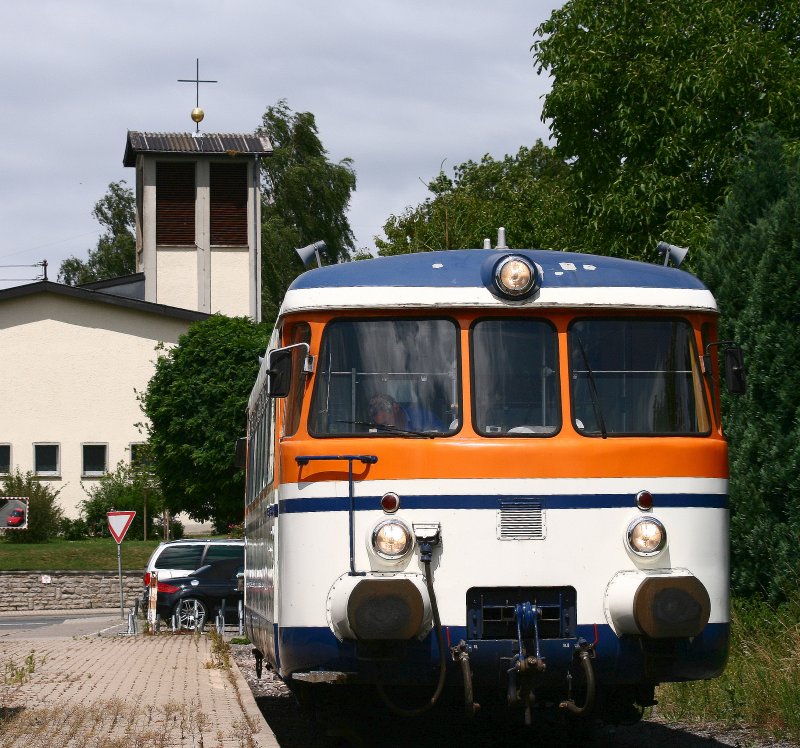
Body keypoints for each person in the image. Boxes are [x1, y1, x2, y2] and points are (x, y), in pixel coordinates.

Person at [368, 393, 443, 432]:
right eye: (382, 425)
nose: (385, 428)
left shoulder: (424, 417)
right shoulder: (378, 432)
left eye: (386, 422)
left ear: (396, 408)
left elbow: (444, 436)